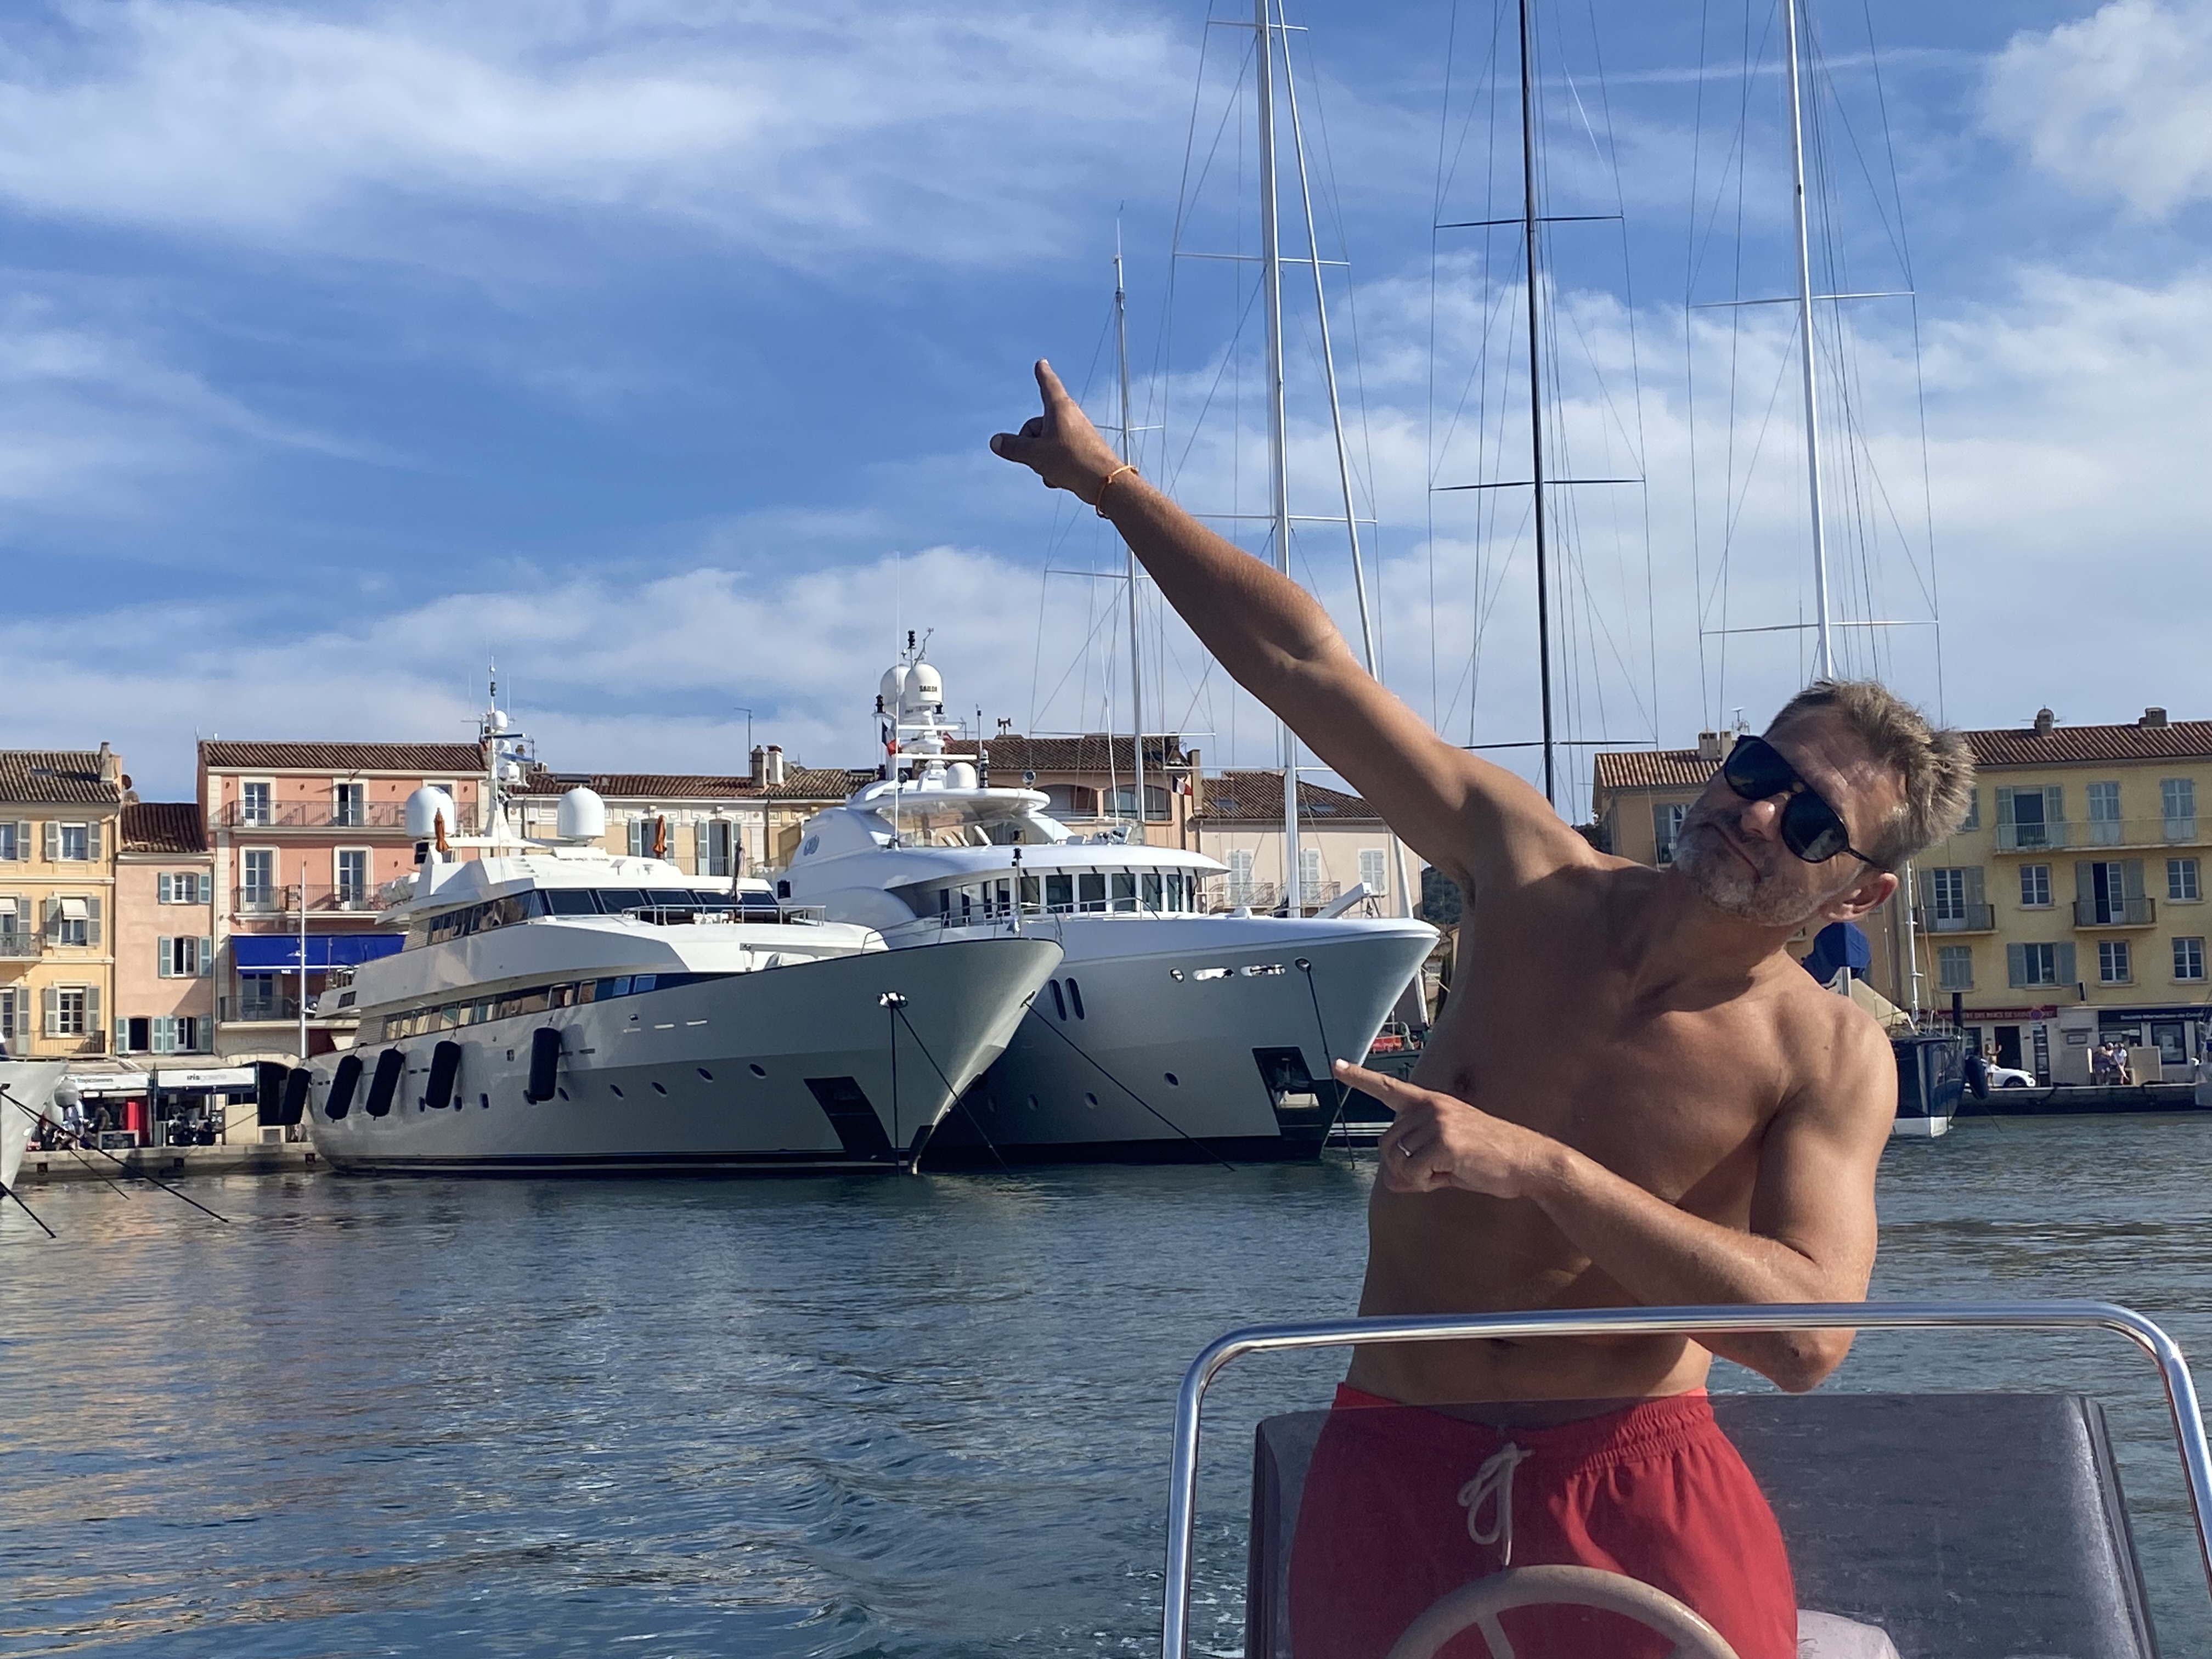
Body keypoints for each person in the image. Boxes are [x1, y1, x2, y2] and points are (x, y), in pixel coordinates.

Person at [992, 362, 1976, 1658]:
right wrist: (1111, 487)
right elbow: (1304, 665)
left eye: (1809, 821)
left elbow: (1806, 1339)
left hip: (1641, 1480)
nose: (1756, 812)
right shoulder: (1525, 874)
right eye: (1757, 769)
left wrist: (1542, 1169)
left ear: (1862, 886)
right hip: (1391, 1458)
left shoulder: (1830, 1053)